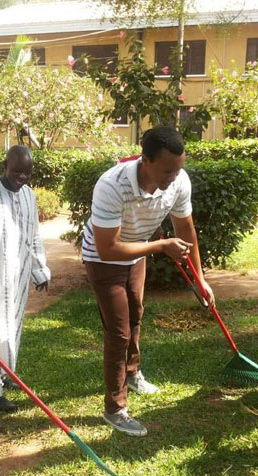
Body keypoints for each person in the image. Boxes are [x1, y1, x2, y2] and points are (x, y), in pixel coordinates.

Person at [82, 126, 214, 437]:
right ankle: (115, 408)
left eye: (179, 168)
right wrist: (159, 247)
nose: (174, 176)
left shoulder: (178, 181)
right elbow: (108, 248)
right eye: (167, 169)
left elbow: (185, 229)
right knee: (118, 330)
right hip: (104, 258)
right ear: (146, 160)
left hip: (136, 251)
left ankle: (131, 373)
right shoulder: (111, 185)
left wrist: (200, 279)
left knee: (136, 314)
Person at [0, 145, 50, 413]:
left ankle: (3, 376)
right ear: (5, 166)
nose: (22, 178)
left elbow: (34, 235)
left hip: (19, 274)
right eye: (17, 172)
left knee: (12, 329)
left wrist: (40, 270)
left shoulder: (28, 195)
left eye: (27, 173)